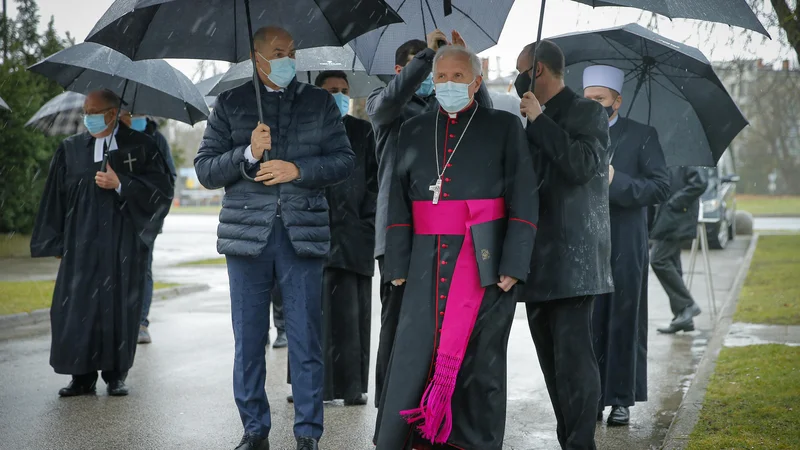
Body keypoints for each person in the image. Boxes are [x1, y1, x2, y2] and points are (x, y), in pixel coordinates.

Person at [194, 26, 355, 450]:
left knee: (305, 337)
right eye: (278, 52)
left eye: (292, 51)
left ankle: (307, 433)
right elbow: (206, 170)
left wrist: (297, 170)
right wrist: (247, 153)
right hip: (246, 237)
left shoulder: (319, 103)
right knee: (248, 340)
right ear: (257, 57)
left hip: (301, 234)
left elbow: (343, 161)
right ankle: (254, 429)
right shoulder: (230, 104)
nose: (288, 59)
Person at [375, 45, 539, 450]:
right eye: (441, 77)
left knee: (480, 363)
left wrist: (515, 263)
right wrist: (396, 261)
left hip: (484, 261)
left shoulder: (503, 127)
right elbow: (396, 200)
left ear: (477, 82)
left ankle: (471, 442)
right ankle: (417, 439)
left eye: (458, 77)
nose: (448, 84)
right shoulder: (411, 129)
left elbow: (525, 197)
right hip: (423, 263)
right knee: (417, 356)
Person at [367, 28, 494, 411]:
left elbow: (484, 119)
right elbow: (387, 104)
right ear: (401, 71)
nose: (433, 79)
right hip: (400, 237)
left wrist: (467, 66)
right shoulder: (386, 107)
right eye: (428, 71)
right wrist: (427, 55)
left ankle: (433, 407)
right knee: (397, 327)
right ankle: (390, 411)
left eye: (441, 72)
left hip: (448, 236)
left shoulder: (446, 112)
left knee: (443, 330)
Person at [30, 89, 173, 398]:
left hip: (121, 246)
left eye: (93, 111)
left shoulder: (143, 147)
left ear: (111, 114)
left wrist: (121, 183)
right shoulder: (70, 149)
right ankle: (81, 377)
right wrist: (55, 242)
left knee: (118, 308)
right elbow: (54, 198)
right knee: (76, 309)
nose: (87, 117)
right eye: (85, 111)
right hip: (80, 246)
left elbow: (161, 190)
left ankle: (115, 375)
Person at [514, 41, 613, 450]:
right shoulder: (528, 119)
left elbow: (581, 166)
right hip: (536, 258)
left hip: (574, 260)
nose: (517, 78)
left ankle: (580, 442)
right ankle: (566, 437)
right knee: (551, 364)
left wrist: (539, 121)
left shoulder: (587, 111)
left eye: (522, 70)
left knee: (574, 361)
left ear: (538, 71)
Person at [582, 65, 671, 426]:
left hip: (626, 240)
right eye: (588, 100)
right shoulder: (577, 134)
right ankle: (591, 396)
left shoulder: (642, 135)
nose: (594, 105)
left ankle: (620, 397)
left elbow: (660, 188)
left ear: (617, 100)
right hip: (586, 240)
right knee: (589, 321)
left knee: (623, 319)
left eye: (600, 100)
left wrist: (617, 181)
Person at [286, 70, 378, 406]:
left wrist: (364, 222)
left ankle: (351, 387)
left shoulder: (362, 131)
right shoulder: (300, 132)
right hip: (311, 235)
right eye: (329, 91)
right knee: (309, 315)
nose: (337, 95)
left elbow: (374, 183)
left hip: (353, 238)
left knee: (350, 318)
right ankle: (309, 387)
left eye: (342, 90)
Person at [120, 111, 177, 345]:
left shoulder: (157, 139)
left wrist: (155, 212)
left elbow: (168, 179)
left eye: (140, 112)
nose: (136, 116)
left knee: (143, 270)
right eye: (131, 112)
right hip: (117, 215)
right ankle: (119, 320)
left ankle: (141, 322)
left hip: (146, 218)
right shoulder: (114, 137)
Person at [650, 167, 709, 334]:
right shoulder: (671, 155)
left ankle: (687, 305)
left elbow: (700, 183)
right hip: (670, 218)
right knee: (672, 263)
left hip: (677, 218)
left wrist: (675, 202)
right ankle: (683, 317)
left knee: (658, 259)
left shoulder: (686, 154)